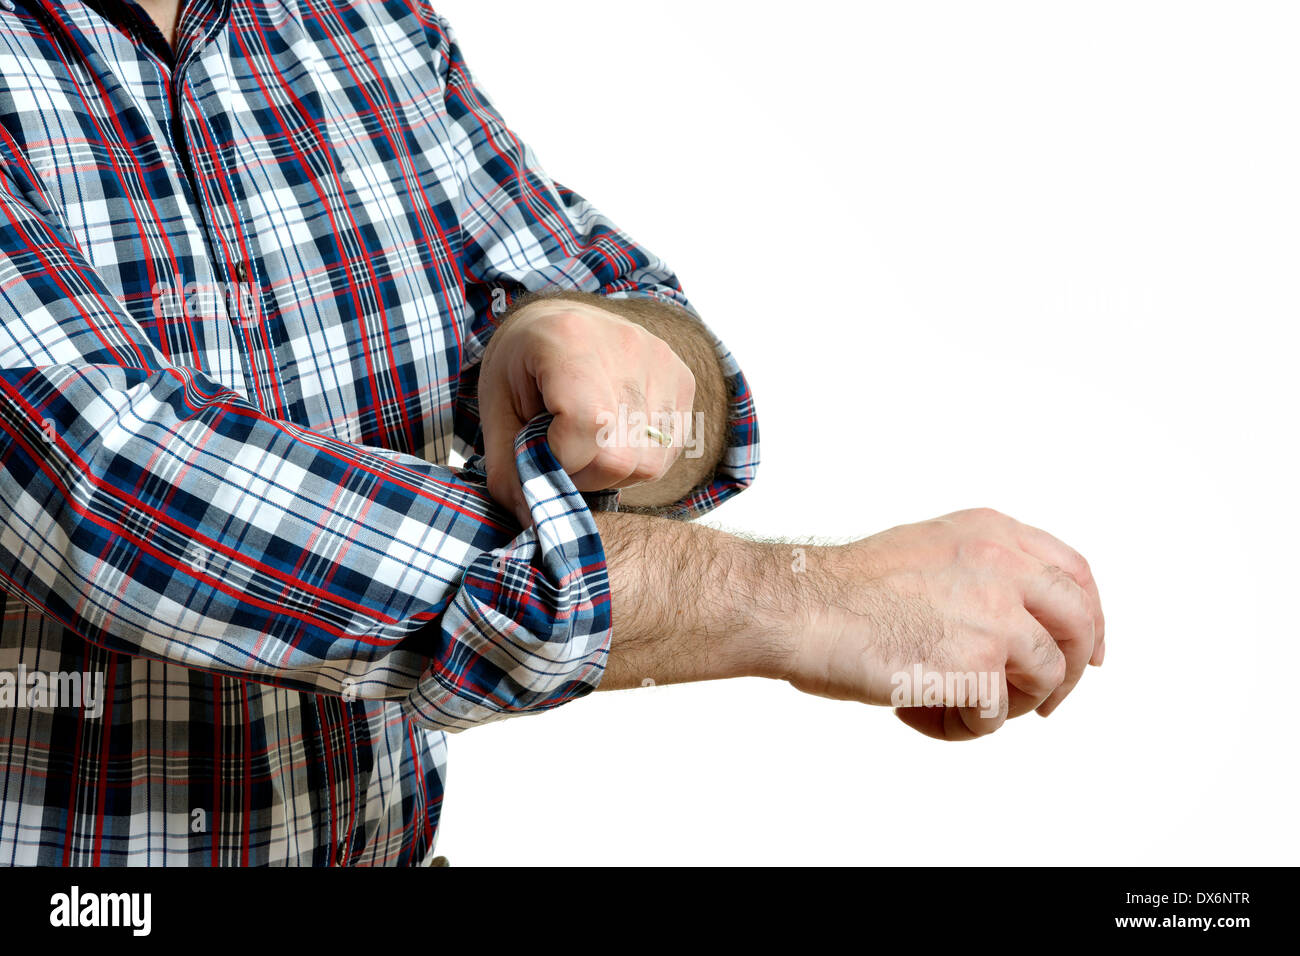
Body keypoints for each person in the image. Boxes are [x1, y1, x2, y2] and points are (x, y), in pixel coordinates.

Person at [0, 0, 1104, 866]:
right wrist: (805, 593)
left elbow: (661, 351)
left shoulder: (357, 17)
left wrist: (584, 343)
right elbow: (112, 488)